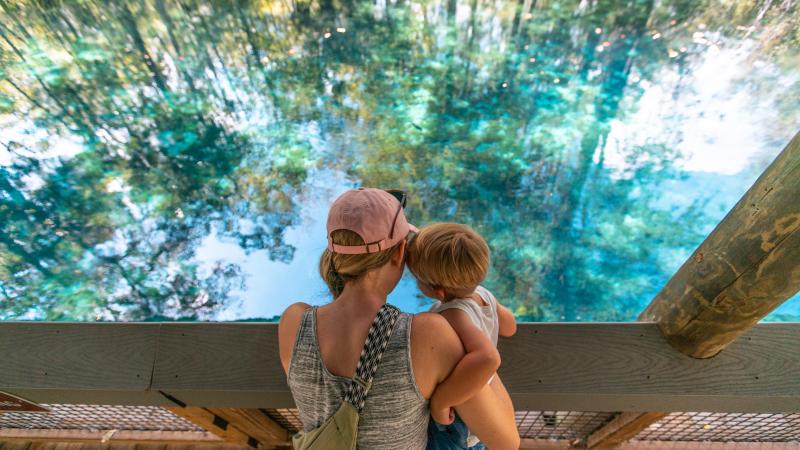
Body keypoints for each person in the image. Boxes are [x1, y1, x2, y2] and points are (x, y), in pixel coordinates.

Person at [278, 188, 519, 450]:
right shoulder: (429, 335)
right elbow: (506, 442)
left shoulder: (294, 322)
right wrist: (483, 341)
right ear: (399, 252)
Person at [406, 222, 518, 450]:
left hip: (459, 415)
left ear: (438, 291)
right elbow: (510, 327)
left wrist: (442, 402)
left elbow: (488, 358)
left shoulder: (452, 314)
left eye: (417, 278)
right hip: (482, 410)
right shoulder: (484, 296)